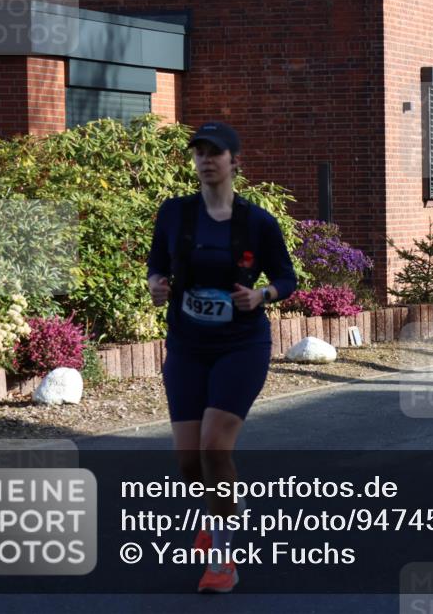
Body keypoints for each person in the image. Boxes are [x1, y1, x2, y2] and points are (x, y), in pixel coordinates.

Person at [147, 121, 297, 593]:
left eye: (216, 152)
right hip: (188, 346)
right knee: (190, 463)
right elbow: (156, 265)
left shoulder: (257, 223)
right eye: (199, 153)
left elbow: (287, 278)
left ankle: (224, 559)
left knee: (215, 446)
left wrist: (264, 295)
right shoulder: (174, 214)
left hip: (241, 346)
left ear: (235, 162)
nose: (206, 160)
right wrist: (156, 285)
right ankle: (226, 512)